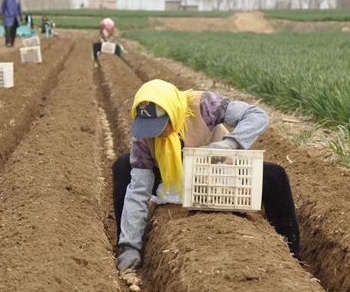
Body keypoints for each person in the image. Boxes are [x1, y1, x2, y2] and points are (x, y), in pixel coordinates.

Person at [114, 79, 300, 272]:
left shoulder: (203, 105)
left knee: (275, 175)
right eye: (150, 128)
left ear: (172, 112)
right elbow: (139, 189)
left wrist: (231, 144)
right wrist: (131, 245)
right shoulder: (143, 134)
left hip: (215, 169)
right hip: (168, 175)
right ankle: (126, 249)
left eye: (161, 125)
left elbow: (257, 115)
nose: (157, 133)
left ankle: (291, 255)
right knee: (123, 166)